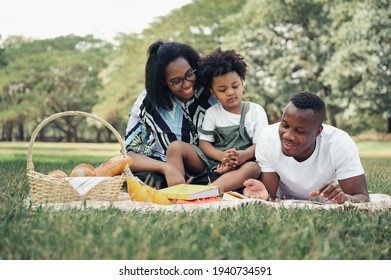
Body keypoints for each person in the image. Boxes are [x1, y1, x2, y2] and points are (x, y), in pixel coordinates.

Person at [166, 48, 269, 193]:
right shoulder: (212, 112)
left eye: (235, 86)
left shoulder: (255, 111)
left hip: (243, 161)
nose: (230, 92)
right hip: (214, 160)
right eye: (222, 89)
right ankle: (177, 192)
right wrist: (222, 157)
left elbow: (261, 144)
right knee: (175, 147)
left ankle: (210, 191)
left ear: (242, 82)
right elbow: (204, 143)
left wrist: (242, 156)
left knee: (253, 168)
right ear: (213, 92)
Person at [243, 91, 370, 204]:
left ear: (318, 132)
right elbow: (270, 197)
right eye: (285, 125)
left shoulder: (339, 143)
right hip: (285, 202)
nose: (288, 136)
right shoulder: (267, 138)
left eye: (300, 131)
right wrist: (262, 193)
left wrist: (345, 198)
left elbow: (361, 197)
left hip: (326, 203)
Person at [124, 40, 219, 188]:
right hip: (164, 173)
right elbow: (128, 156)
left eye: (189, 74)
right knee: (140, 181)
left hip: (210, 171)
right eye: (176, 81)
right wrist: (167, 168)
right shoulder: (148, 101)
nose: (187, 84)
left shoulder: (211, 91)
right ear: (162, 81)